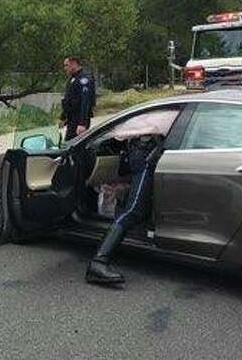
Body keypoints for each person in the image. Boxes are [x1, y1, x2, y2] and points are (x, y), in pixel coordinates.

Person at [86, 108, 178, 286]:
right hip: (147, 155)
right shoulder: (169, 111)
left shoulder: (171, 110)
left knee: (139, 208)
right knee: (134, 209)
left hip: (151, 153)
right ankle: (97, 263)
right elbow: (120, 132)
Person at [60, 57, 95, 142]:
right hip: (71, 119)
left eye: (66, 65)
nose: (65, 68)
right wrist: (63, 117)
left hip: (79, 120)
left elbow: (85, 102)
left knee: (74, 147)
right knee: (70, 146)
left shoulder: (84, 79)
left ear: (74, 63)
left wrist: (82, 123)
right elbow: (68, 100)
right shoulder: (73, 78)